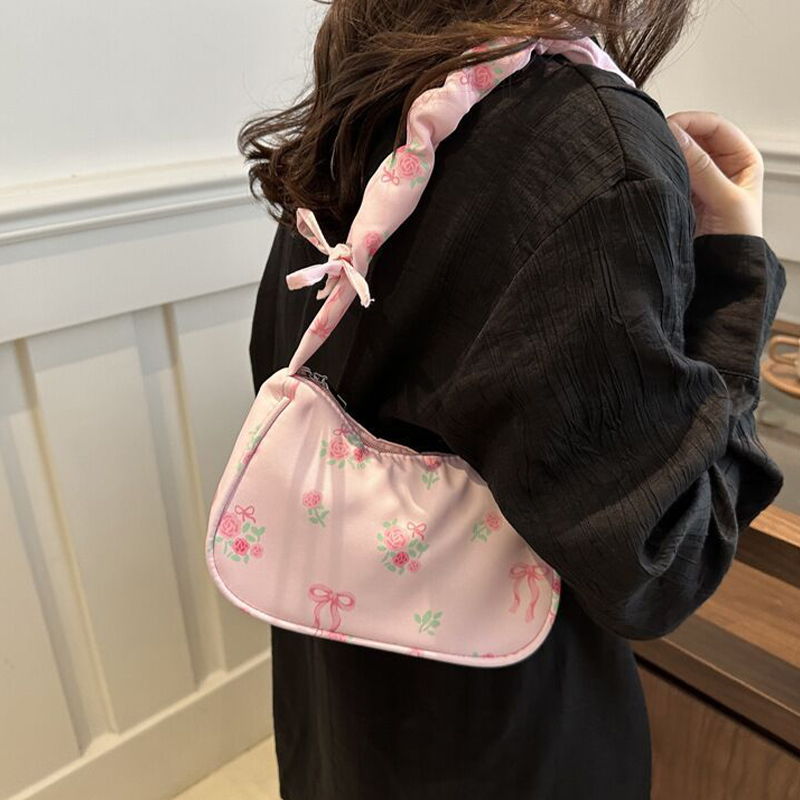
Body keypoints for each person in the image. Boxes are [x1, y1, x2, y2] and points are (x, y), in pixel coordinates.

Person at [241, 2, 787, 798]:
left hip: (344, 713)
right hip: (502, 747)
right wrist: (736, 265)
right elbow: (664, 561)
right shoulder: (585, 143)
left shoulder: (369, 82)